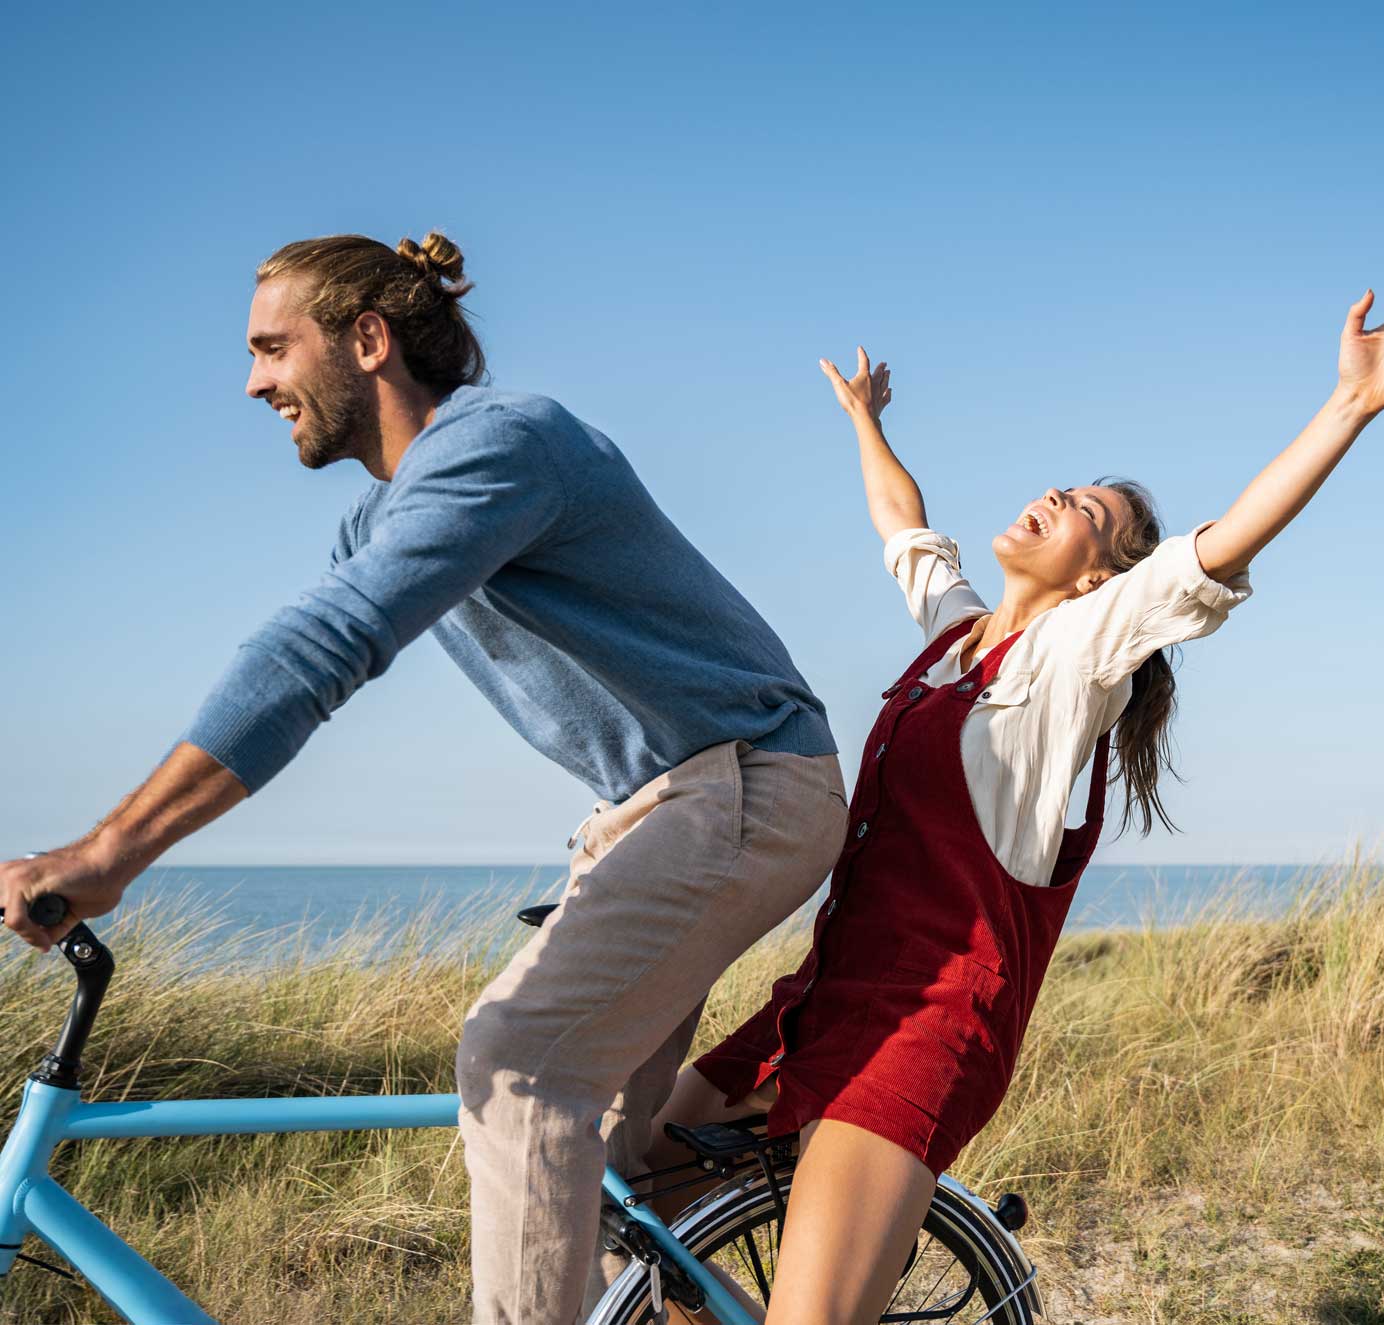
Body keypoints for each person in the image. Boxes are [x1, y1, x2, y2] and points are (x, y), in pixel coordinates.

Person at [0, 232, 850, 1325]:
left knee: (515, 1069)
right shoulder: (388, 510)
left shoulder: (502, 441)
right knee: (587, 1168)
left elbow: (325, 643)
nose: (252, 381)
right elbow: (303, 649)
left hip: (743, 782)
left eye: (271, 349)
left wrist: (108, 850)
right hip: (661, 807)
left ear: (366, 340)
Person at [652, 271, 1384, 1324]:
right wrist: (864, 420)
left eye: (1087, 509)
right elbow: (903, 527)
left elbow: (1220, 546)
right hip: (817, 1002)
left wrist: (1350, 404)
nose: (1054, 494)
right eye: (1066, 484)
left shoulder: (1075, 658)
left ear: (1101, 577)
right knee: (629, 1182)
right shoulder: (955, 643)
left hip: (925, 1026)